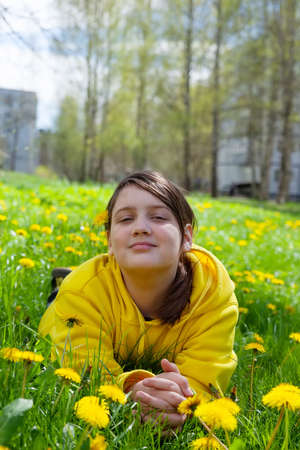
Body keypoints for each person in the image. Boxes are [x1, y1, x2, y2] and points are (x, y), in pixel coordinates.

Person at [39, 170, 238, 430]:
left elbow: (208, 375)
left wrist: (178, 401)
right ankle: (62, 281)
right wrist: (133, 391)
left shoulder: (213, 295)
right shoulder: (82, 292)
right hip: (72, 304)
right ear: (109, 241)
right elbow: (81, 367)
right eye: (126, 219)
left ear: (187, 237)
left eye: (158, 217)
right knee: (63, 296)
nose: (141, 228)